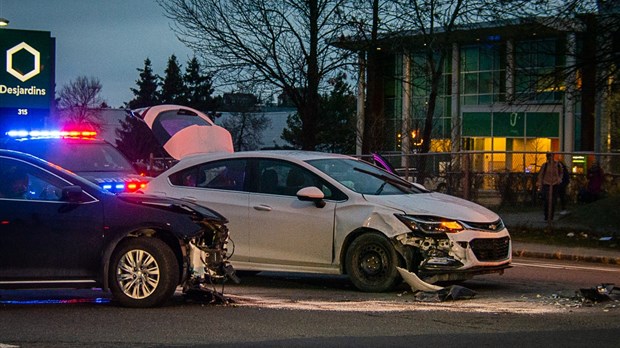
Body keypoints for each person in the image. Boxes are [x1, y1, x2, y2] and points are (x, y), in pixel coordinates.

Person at [536, 152, 563, 221]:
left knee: (553, 201)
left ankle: (551, 217)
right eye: (549, 157)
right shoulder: (545, 166)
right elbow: (541, 174)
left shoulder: (557, 165)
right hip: (546, 183)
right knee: (547, 200)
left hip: (555, 184)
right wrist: (539, 183)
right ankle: (546, 215)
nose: (550, 158)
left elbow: (561, 173)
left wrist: (559, 179)